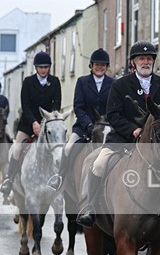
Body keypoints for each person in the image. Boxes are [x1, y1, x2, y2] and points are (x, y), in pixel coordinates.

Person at [76, 41, 160, 227]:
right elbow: (113, 114)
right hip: (122, 139)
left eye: (149, 59)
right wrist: (133, 129)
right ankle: (90, 207)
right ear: (133, 62)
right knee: (98, 164)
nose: (145, 62)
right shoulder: (120, 85)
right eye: (141, 59)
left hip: (156, 143)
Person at [48, 48, 115, 191]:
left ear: (107, 67)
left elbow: (114, 106)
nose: (99, 67)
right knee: (68, 148)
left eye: (103, 65)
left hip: (106, 127)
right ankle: (60, 177)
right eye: (97, 64)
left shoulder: (113, 83)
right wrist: (89, 125)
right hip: (84, 127)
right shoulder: (82, 82)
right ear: (91, 66)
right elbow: (78, 107)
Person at [1, 51, 61, 199]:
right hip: (28, 124)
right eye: (41, 67)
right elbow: (25, 105)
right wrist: (34, 122)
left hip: (47, 125)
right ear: (35, 68)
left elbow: (57, 105)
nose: (43, 70)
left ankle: (59, 178)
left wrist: (46, 122)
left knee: (58, 148)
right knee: (17, 148)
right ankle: (9, 179)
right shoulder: (28, 82)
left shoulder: (55, 81)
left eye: (46, 67)